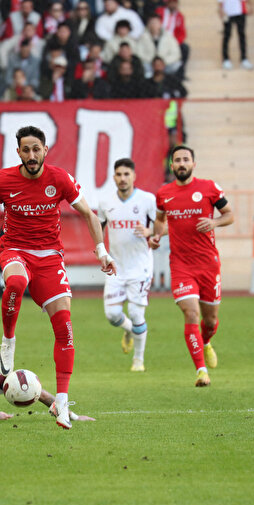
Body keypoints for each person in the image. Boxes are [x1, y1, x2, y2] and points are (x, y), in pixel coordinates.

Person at [0, 126, 116, 429]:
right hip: (15, 249)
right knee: (17, 283)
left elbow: (89, 213)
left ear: (45, 150)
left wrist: (101, 251)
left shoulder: (59, 178)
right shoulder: (4, 180)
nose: (31, 155)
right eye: (26, 150)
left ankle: (61, 401)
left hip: (50, 257)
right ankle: (8, 340)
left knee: (65, 326)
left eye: (36, 149)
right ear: (18, 152)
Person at [149, 146, 234, 388]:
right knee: (191, 313)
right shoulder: (164, 193)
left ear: (193, 164)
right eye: (178, 160)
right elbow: (159, 219)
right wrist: (156, 237)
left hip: (208, 264)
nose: (182, 163)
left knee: (209, 321)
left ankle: (206, 342)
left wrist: (215, 221)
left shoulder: (209, 187)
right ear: (172, 166)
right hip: (181, 265)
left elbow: (229, 215)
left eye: (186, 159)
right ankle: (201, 371)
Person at [97, 158, 155, 372]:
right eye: (119, 174)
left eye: (126, 174)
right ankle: (130, 330)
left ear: (134, 176)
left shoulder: (148, 200)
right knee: (112, 315)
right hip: (116, 268)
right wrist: (101, 250)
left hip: (141, 267)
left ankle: (138, 361)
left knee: (137, 313)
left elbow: (161, 224)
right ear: (114, 177)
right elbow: (98, 228)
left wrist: (152, 233)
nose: (122, 178)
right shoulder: (105, 203)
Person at [220, 0, 253, 70]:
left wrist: (250, 6)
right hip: (228, 11)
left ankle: (244, 58)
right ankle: (226, 59)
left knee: (242, 35)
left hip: (240, 10)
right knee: (227, 35)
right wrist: (221, 9)